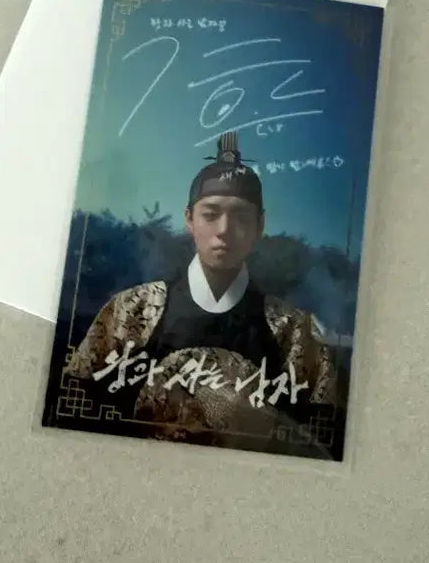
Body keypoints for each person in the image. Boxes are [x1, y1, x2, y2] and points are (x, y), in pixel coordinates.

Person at [64, 131, 335, 441]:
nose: (224, 230)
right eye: (211, 214)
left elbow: (317, 437)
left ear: (259, 225)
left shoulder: (294, 331)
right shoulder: (132, 310)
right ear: (189, 219)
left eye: (241, 217)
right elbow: (75, 407)